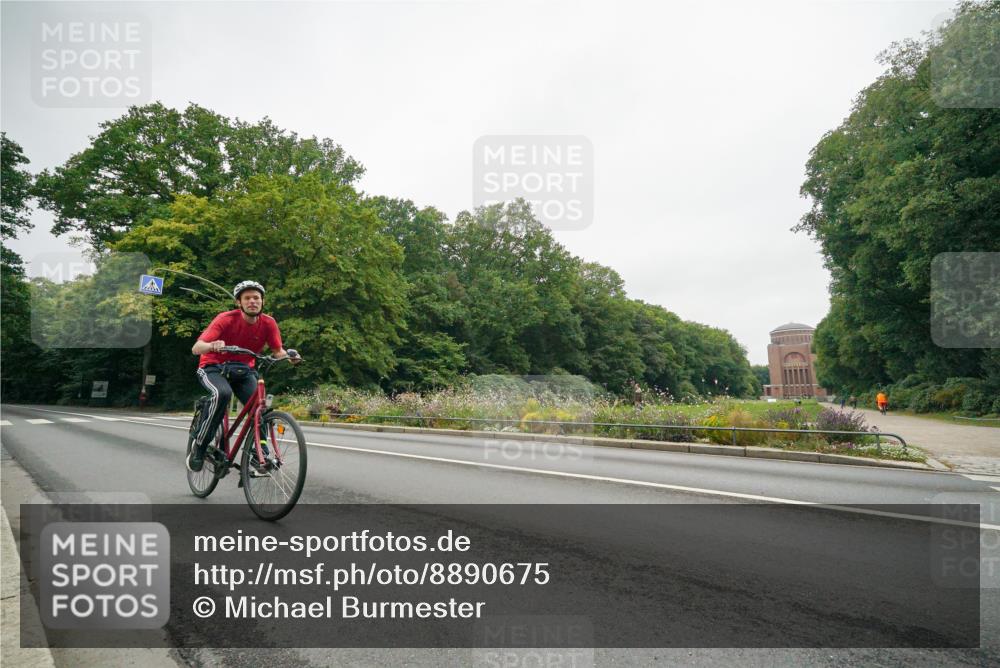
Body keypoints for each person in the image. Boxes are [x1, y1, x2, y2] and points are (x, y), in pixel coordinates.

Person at [187, 281, 299, 472]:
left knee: (260, 406)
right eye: (247, 298)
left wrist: (290, 357)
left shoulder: (269, 323)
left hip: (244, 370)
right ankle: (199, 446)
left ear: (262, 301)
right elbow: (196, 348)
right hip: (213, 367)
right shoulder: (225, 319)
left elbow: (278, 350)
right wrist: (212, 345)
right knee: (222, 394)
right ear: (239, 302)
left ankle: (260, 452)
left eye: (256, 298)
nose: (252, 301)